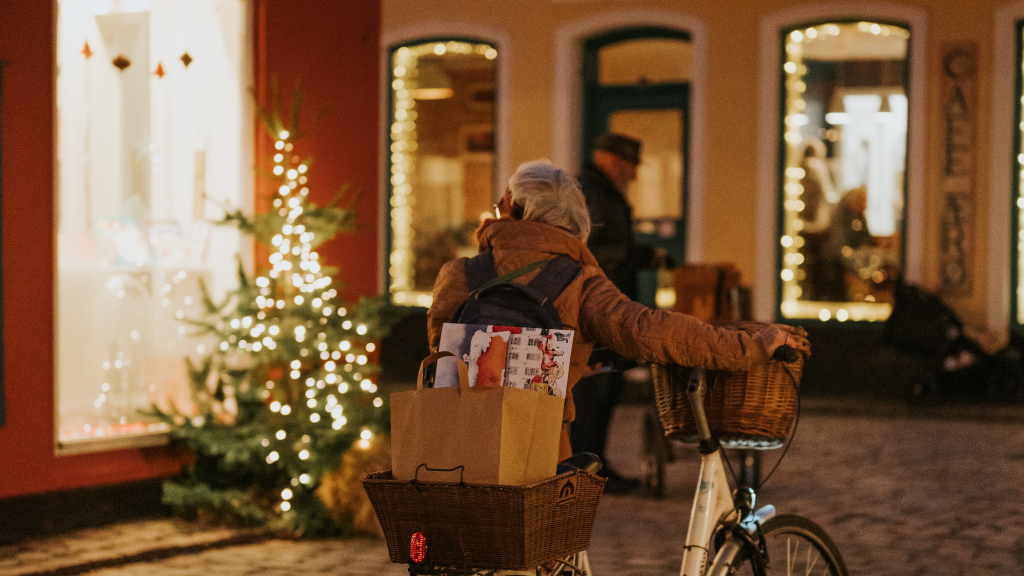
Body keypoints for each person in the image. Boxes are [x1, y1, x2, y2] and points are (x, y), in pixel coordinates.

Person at [427, 159, 810, 480]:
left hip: (452, 453)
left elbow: (443, 355)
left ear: (509, 206)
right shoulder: (578, 282)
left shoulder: (458, 274)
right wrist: (751, 346)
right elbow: (652, 330)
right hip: (535, 461)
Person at [574, 133, 666, 492]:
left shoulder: (601, 193)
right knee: (594, 391)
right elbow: (589, 252)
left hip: (609, 305)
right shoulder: (591, 193)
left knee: (607, 388)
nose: (634, 174)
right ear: (611, 160)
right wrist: (635, 256)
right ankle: (584, 468)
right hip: (597, 308)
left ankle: (594, 464)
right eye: (630, 165)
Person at [819, 185, 875, 301]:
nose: (865, 204)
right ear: (854, 200)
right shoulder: (839, 214)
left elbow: (866, 237)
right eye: (863, 200)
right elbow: (838, 240)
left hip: (854, 255)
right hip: (836, 258)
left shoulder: (859, 216)